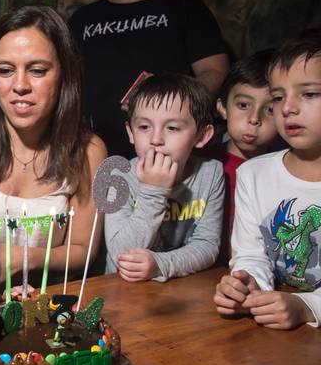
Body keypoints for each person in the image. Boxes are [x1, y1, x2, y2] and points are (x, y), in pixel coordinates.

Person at [0, 5, 107, 287]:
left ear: (64, 75)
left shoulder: (88, 151)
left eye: (37, 70)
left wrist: (23, 257)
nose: (20, 85)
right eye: (6, 70)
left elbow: (83, 250)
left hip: (41, 302)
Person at [69, 0, 229, 158]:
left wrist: (171, 100)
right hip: (93, 157)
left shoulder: (184, 6)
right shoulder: (82, 19)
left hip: (170, 157)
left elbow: (215, 71)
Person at [214, 29, 321, 329]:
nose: (287, 108)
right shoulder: (253, 174)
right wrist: (248, 285)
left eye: (309, 93)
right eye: (278, 97)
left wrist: (308, 306)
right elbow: (251, 254)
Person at [104, 73, 224, 281]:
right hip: (123, 288)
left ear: (202, 136)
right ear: (131, 132)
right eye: (144, 127)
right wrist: (154, 192)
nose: (156, 139)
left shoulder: (211, 173)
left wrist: (160, 264)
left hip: (179, 287)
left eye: (172, 128)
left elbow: (207, 245)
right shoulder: (119, 175)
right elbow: (120, 255)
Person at [209, 49, 278, 254]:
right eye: (243, 105)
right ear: (223, 108)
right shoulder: (202, 164)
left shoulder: (286, 170)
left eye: (270, 109)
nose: (254, 118)